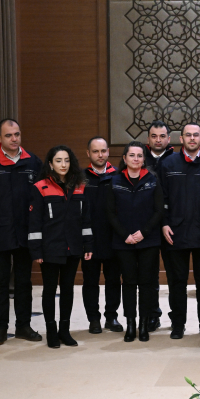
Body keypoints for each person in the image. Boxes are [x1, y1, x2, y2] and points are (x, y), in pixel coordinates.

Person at [0, 118, 43, 346]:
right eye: (8, 135)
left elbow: (42, 197)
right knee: (0, 282)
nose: (14, 139)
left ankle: (23, 325)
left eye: (17, 134)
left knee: (24, 282)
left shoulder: (33, 162)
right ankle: (0, 329)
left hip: (25, 233)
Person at [159, 123, 200, 339]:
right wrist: (164, 223)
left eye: (196, 135)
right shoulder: (168, 164)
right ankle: (178, 325)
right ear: (181, 139)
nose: (192, 138)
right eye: (188, 135)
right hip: (174, 233)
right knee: (177, 281)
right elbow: (161, 199)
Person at [28, 146, 93, 348]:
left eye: (66, 160)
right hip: (49, 248)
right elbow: (34, 222)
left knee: (67, 290)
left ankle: (64, 330)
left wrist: (88, 244)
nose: (63, 164)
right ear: (50, 164)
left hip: (73, 248)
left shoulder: (80, 186)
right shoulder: (40, 187)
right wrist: (36, 250)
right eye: (58, 160)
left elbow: (85, 219)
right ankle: (51, 331)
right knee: (49, 290)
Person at [106, 141, 164, 343]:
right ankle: (130, 324)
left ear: (143, 160)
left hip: (148, 240)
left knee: (147, 283)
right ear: (124, 159)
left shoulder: (153, 180)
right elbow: (110, 214)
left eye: (140, 156)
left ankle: (144, 324)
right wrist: (125, 235)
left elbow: (159, 210)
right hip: (124, 242)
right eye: (132, 155)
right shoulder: (114, 181)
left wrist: (144, 233)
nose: (136, 159)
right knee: (129, 283)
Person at [81, 136, 122, 334]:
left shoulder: (118, 176)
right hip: (89, 241)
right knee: (90, 282)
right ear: (88, 154)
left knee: (114, 281)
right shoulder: (80, 178)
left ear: (108, 152)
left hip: (113, 239)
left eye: (103, 151)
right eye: (95, 151)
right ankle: (93, 319)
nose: (100, 155)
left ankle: (111, 317)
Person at [143, 119, 173, 330]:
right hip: (147, 226)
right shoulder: (137, 157)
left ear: (169, 139)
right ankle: (152, 315)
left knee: (173, 274)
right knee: (149, 274)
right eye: (154, 136)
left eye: (162, 136)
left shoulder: (176, 160)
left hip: (170, 225)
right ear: (148, 139)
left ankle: (175, 316)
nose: (158, 140)